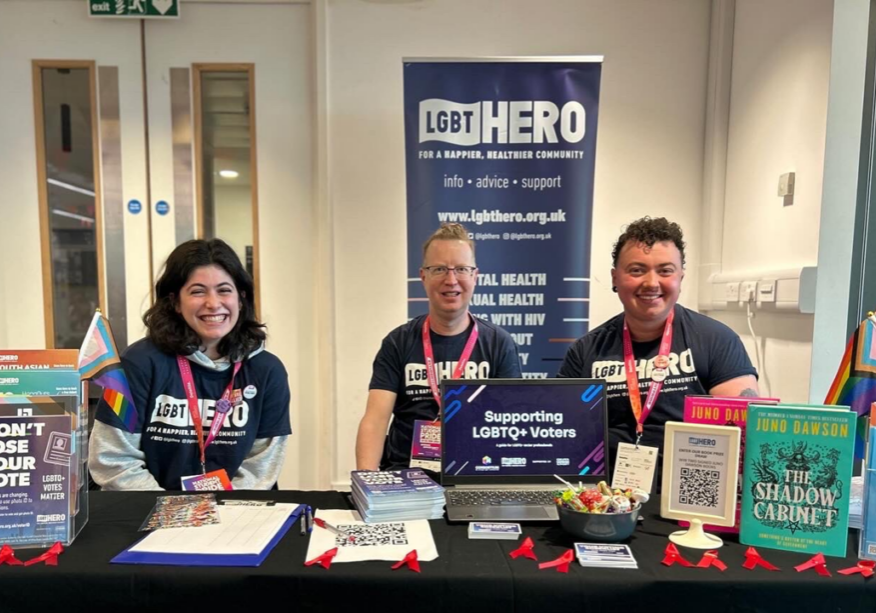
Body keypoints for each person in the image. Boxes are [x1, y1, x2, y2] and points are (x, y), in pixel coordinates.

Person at [89, 239, 291, 490]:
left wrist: (219, 515)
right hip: (151, 514)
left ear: (241, 298)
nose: (213, 303)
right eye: (197, 291)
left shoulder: (267, 370)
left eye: (224, 290)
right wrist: (176, 516)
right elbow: (113, 460)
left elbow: (260, 466)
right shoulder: (136, 364)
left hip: (238, 514)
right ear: (175, 302)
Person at [558, 216, 758, 464]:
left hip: (689, 490)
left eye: (665, 271)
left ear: (680, 277)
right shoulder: (586, 350)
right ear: (614, 278)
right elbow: (564, 434)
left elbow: (741, 435)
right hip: (607, 493)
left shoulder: (716, 340)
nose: (651, 283)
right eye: (637, 270)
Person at [356, 223, 522, 471]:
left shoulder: (499, 343)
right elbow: (375, 421)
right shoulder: (398, 343)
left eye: (461, 269)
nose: (451, 279)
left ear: (475, 276)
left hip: (477, 475)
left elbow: (512, 423)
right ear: (423, 276)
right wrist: (366, 483)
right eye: (440, 269)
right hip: (406, 477)